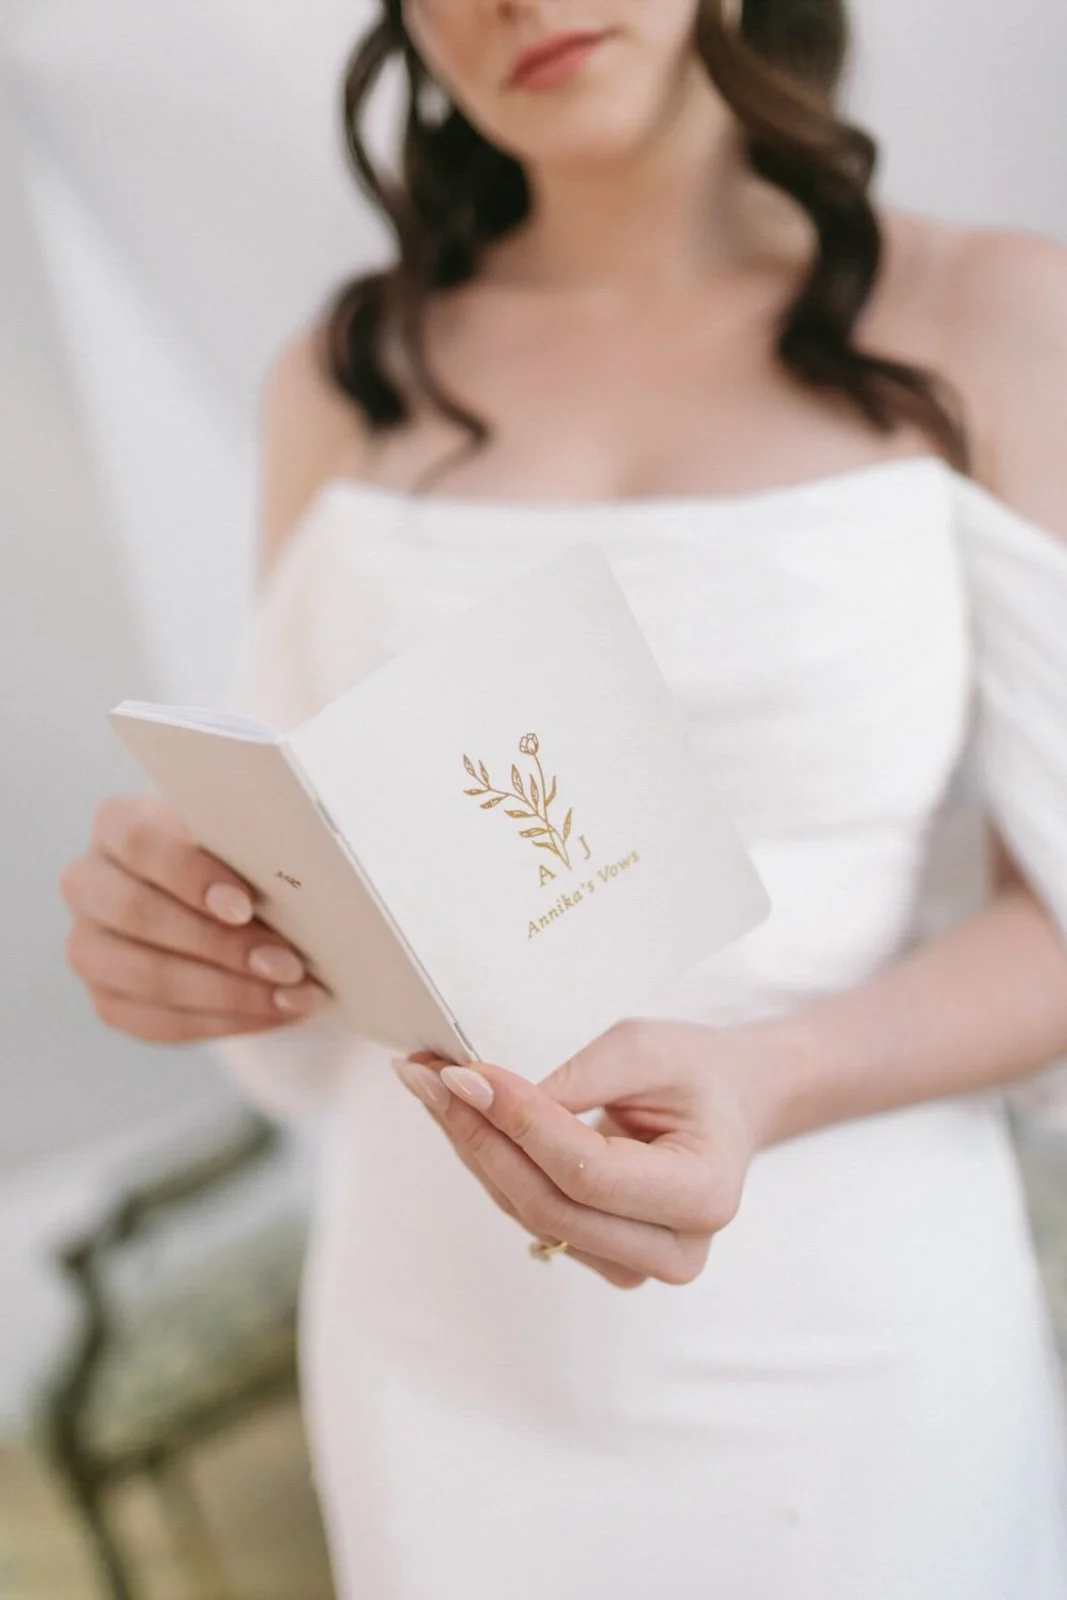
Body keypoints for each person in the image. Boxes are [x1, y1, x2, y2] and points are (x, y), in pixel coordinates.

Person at [59, 2, 1067, 1595]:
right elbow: (304, 897)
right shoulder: (345, 375)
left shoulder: (994, 317)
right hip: (435, 1341)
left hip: (850, 1339)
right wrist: (177, 936)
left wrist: (773, 1076)